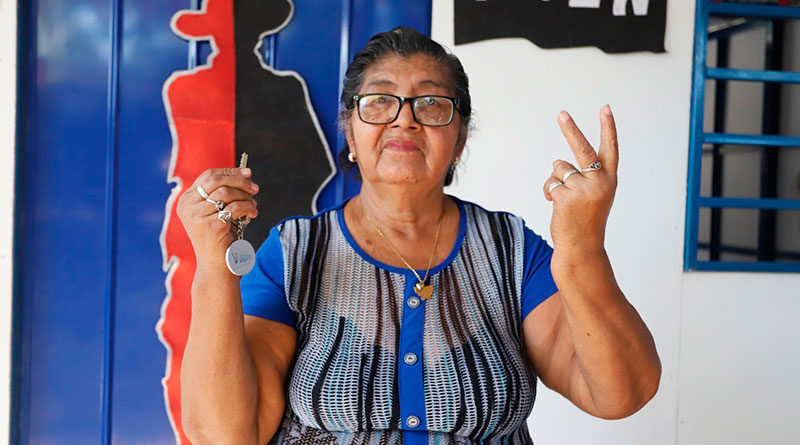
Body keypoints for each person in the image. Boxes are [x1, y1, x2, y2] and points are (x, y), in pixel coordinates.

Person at [176, 27, 661, 445]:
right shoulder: (295, 252)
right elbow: (226, 434)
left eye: (431, 104)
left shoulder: (511, 251)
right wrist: (214, 265)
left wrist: (582, 246)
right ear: (350, 132)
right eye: (380, 101)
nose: (404, 118)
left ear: (460, 140)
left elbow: (622, 394)